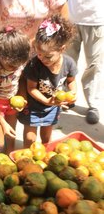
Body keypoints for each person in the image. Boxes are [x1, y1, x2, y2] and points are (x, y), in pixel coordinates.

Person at [18, 14, 77, 147]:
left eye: (48, 56)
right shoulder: (34, 65)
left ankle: (44, 156)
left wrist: (73, 93)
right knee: (30, 138)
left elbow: (71, 81)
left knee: (46, 137)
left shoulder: (69, 63)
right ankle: (27, 159)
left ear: (61, 49)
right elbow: (31, 88)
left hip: (53, 107)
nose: (42, 58)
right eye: (39, 53)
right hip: (33, 107)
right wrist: (47, 101)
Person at [0, 27, 30, 157]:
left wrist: (22, 96)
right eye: (11, 66)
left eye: (17, 66)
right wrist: (2, 122)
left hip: (12, 102)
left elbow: (22, 79)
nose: (15, 68)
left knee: (10, 136)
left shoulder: (19, 61)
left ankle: (9, 162)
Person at [66, 0, 104, 124]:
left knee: (94, 64)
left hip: (96, 18)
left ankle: (93, 104)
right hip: (71, 16)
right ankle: (67, 96)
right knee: (68, 61)